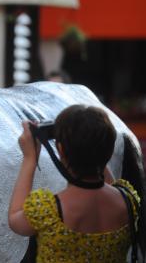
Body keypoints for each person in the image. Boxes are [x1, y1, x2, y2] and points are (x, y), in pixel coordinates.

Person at [8, 104, 141, 262]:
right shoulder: (128, 199)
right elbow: (109, 183)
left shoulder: (49, 210)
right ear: (109, 150)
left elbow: (15, 219)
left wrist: (30, 158)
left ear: (61, 151)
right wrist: (96, 147)